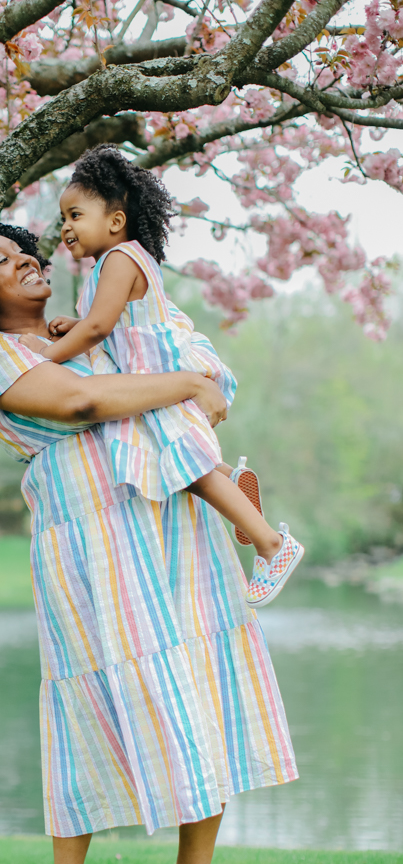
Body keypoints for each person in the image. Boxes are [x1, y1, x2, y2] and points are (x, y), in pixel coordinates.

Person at [0, 224, 298, 864]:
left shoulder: (89, 328)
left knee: (195, 680)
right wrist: (183, 384)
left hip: (165, 516)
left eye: (22, 248)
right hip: (86, 540)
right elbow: (82, 402)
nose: (27, 258)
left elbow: (164, 363)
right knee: (87, 696)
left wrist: (193, 383)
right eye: (3, 261)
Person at [19, 145, 303, 608]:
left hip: (156, 378)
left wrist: (47, 356)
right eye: (63, 218)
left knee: (191, 471)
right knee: (186, 466)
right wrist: (78, 326)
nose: (66, 227)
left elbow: (100, 327)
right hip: (153, 375)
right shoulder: (117, 262)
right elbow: (108, 324)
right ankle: (233, 475)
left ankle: (272, 545)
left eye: (75, 215)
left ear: (114, 220)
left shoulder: (119, 259)